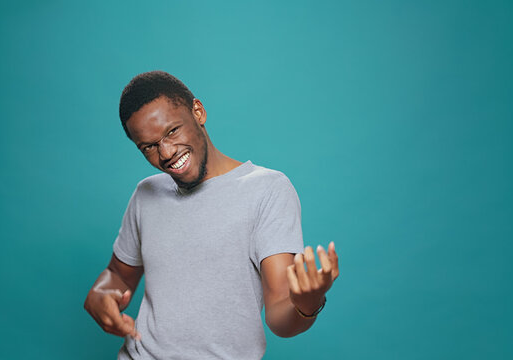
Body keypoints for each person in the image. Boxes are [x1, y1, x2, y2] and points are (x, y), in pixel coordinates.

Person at [84, 71, 339, 359]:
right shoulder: (146, 194)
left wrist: (306, 303)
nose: (166, 152)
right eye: (149, 147)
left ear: (198, 112)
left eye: (172, 131)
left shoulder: (267, 190)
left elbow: (280, 314)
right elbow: (118, 274)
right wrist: (100, 295)